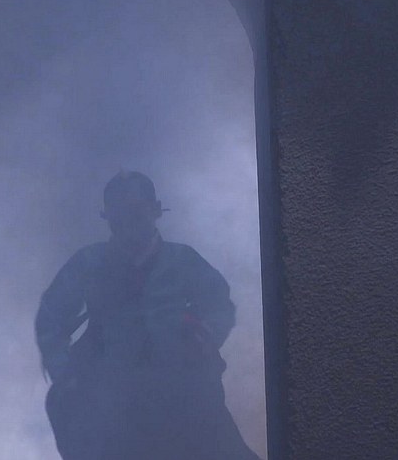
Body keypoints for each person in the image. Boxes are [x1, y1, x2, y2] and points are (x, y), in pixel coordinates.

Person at [35, 170, 260, 460]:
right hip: (111, 398)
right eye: (119, 215)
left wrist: (204, 336)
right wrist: (66, 374)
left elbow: (218, 303)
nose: (128, 223)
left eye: (136, 212)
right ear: (108, 217)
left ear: (155, 210)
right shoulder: (88, 263)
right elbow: (50, 318)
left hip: (182, 390)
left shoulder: (182, 260)